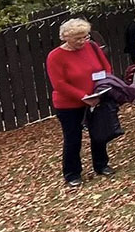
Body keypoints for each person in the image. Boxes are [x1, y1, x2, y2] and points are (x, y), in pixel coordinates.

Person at [46, 19, 115, 187]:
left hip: (96, 97)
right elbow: (59, 84)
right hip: (68, 104)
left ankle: (101, 165)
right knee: (73, 139)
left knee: (98, 133)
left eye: (85, 37)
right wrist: (83, 96)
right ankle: (72, 173)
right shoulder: (55, 56)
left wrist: (102, 88)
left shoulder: (92, 47)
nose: (82, 41)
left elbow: (106, 68)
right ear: (65, 37)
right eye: (77, 38)